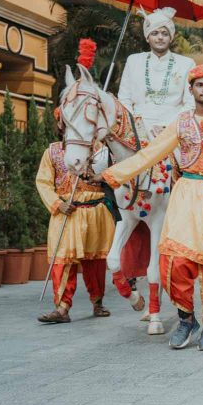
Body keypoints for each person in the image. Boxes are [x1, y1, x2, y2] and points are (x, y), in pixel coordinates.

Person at [100, 65, 203, 351]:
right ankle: (186, 318)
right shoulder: (180, 123)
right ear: (192, 90)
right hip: (185, 195)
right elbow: (151, 152)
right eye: (199, 85)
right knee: (173, 261)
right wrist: (115, 174)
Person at [35, 123, 115, 323]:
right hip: (66, 212)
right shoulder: (52, 151)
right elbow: (43, 182)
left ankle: (97, 302)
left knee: (95, 260)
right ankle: (62, 307)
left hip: (95, 211)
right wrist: (57, 204)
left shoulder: (101, 150)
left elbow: (113, 177)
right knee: (63, 260)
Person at [117, 7, 195, 141]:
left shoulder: (186, 64)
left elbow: (190, 103)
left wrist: (167, 127)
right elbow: (124, 99)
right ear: (147, 37)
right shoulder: (134, 60)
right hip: (136, 129)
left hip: (173, 130)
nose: (160, 37)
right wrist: (135, 125)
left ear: (171, 38)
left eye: (165, 33)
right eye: (155, 33)